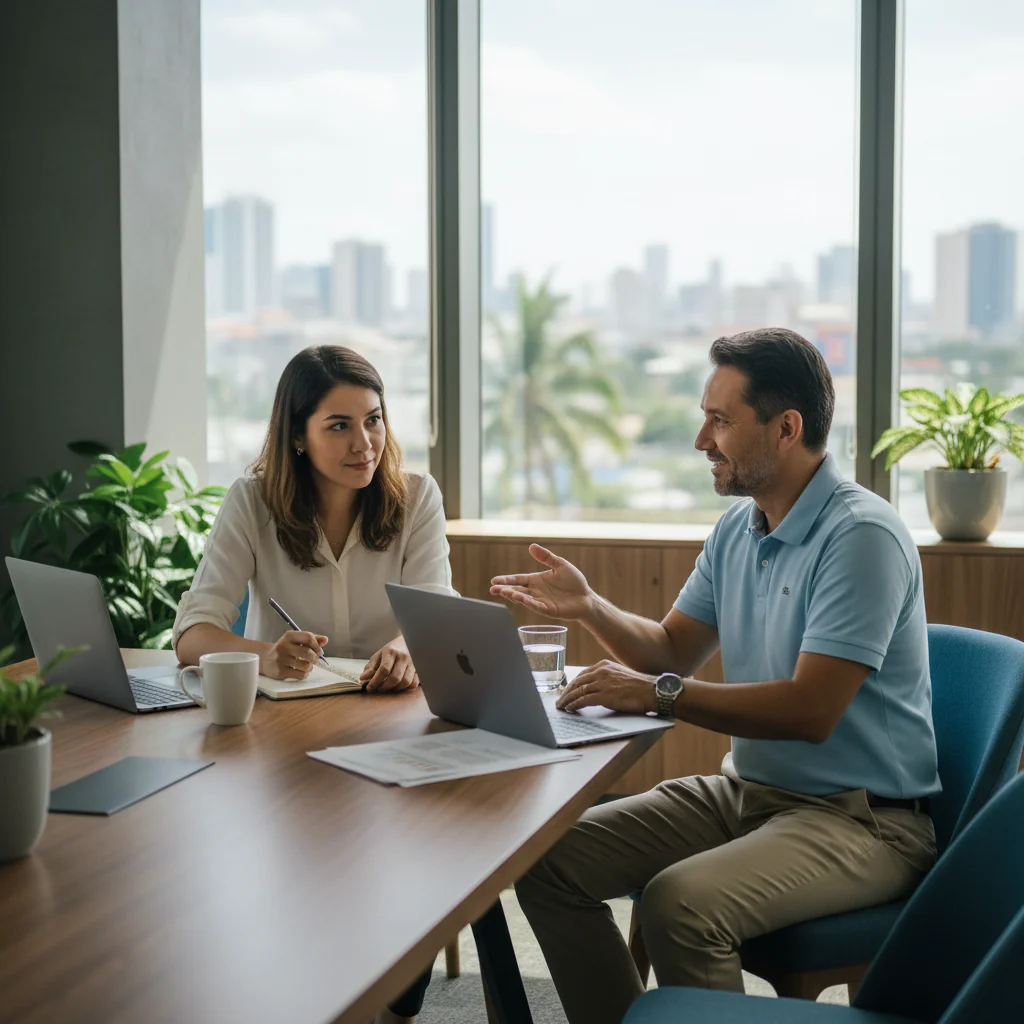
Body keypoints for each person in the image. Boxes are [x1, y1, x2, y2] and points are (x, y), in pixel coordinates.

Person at [490, 327, 940, 1024]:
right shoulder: (741, 528)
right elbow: (670, 649)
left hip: (863, 822)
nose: (702, 439)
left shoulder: (862, 537)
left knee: (680, 901)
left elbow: (809, 711)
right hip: (749, 793)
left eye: (720, 420)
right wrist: (590, 606)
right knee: (549, 860)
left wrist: (661, 696)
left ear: (786, 428)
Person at [173, 344, 453, 1024]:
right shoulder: (252, 500)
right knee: (291, 881)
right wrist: (265, 654)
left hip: (397, 732)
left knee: (424, 869)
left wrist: (403, 648)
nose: (365, 443)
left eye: (375, 420)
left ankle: (392, 1003)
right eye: (339, 425)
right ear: (296, 435)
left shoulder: (415, 497)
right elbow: (192, 634)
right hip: (288, 744)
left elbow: (435, 611)